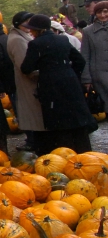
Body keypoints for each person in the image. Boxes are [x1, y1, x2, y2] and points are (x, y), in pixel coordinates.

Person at [20, 14, 96, 155]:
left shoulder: (35, 44)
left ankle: (65, 154)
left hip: (51, 86)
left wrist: (44, 69)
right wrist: (71, 74)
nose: (30, 32)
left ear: (39, 30)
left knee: (59, 123)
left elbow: (26, 68)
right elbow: (80, 61)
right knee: (76, 120)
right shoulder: (62, 39)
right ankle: (84, 151)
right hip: (70, 83)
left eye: (32, 29)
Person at [6, 11, 45, 153]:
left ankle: (36, 142)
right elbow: (25, 66)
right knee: (33, 113)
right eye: (27, 22)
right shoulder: (17, 40)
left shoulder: (24, 36)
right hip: (28, 82)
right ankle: (35, 143)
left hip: (31, 81)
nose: (30, 25)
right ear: (19, 24)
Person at [80, 0, 108, 114]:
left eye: (106, 11)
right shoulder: (88, 31)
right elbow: (85, 55)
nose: (103, 15)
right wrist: (86, 79)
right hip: (98, 76)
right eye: (99, 12)